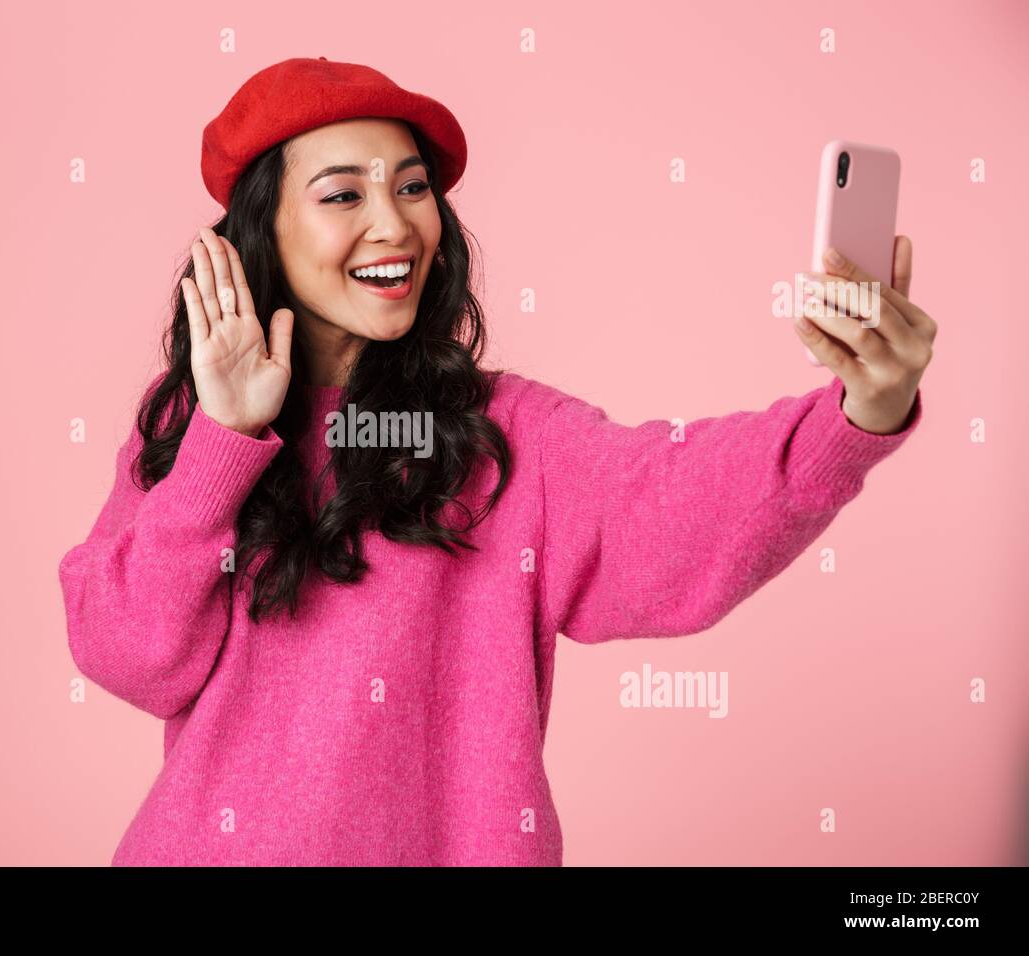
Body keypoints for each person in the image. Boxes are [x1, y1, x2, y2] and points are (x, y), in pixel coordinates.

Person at [57, 57, 935, 866]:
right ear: (264, 232)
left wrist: (861, 411)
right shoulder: (193, 428)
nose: (395, 223)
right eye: (340, 196)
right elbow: (129, 656)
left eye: (411, 188)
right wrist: (225, 441)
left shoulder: (504, 433)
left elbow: (679, 505)